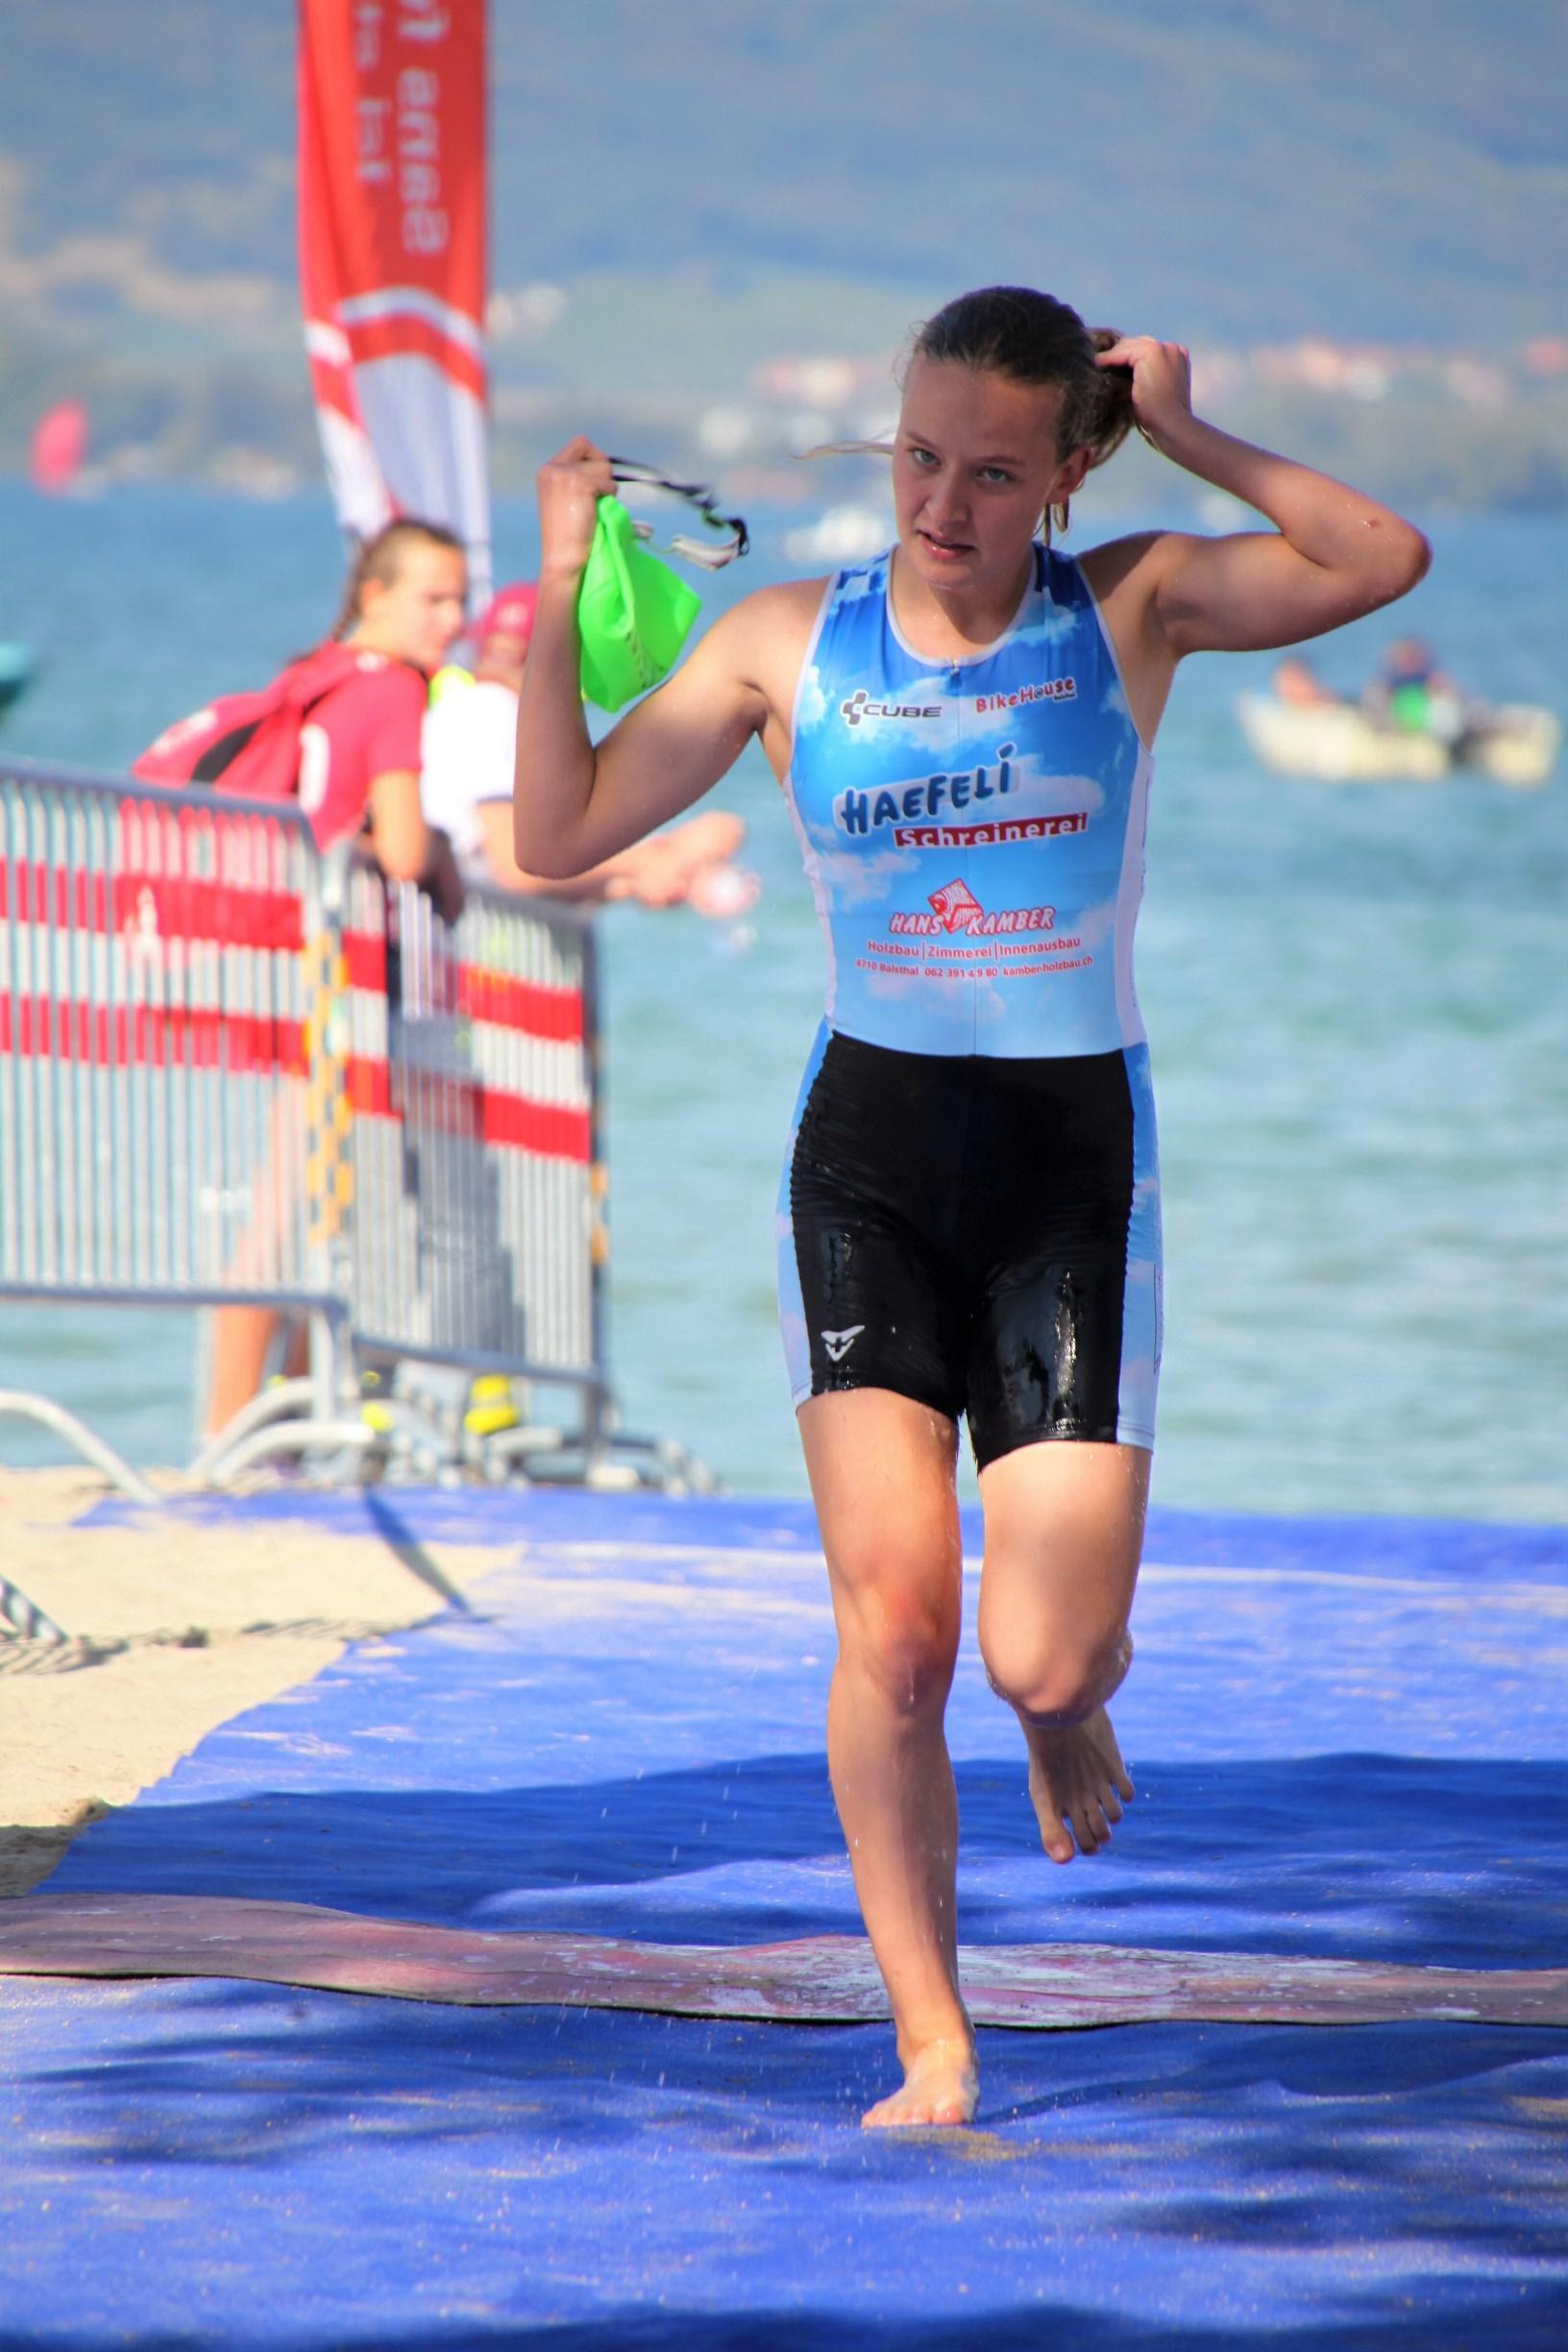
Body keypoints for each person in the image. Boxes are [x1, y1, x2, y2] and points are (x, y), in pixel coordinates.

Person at [512, 286, 1431, 2129]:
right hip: (865, 1156)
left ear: (1067, 474)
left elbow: (1377, 557)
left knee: (1040, 1651)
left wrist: (1188, 432)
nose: (942, 503)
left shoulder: (1131, 609)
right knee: (897, 1633)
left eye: (994, 473)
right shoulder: (785, 644)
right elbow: (558, 831)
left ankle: (1066, 1707)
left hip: (1067, 1169)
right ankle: (933, 2029)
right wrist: (550, 590)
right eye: (920, 456)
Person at [205, 519, 469, 1436]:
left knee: (319, 1210)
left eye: (460, 601)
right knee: (290, 1212)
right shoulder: (390, 686)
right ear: (374, 597)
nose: (453, 620)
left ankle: (274, 1430)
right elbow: (402, 850)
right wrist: (441, 854)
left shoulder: (314, 675)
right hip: (330, 976)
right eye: (433, 599)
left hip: (279, 958)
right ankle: (232, 1434)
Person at [421, 579, 758, 914]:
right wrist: (652, 857)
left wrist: (641, 879)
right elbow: (515, 867)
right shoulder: (491, 709)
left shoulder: (472, 706)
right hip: (466, 936)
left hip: (470, 927)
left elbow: (518, 872)